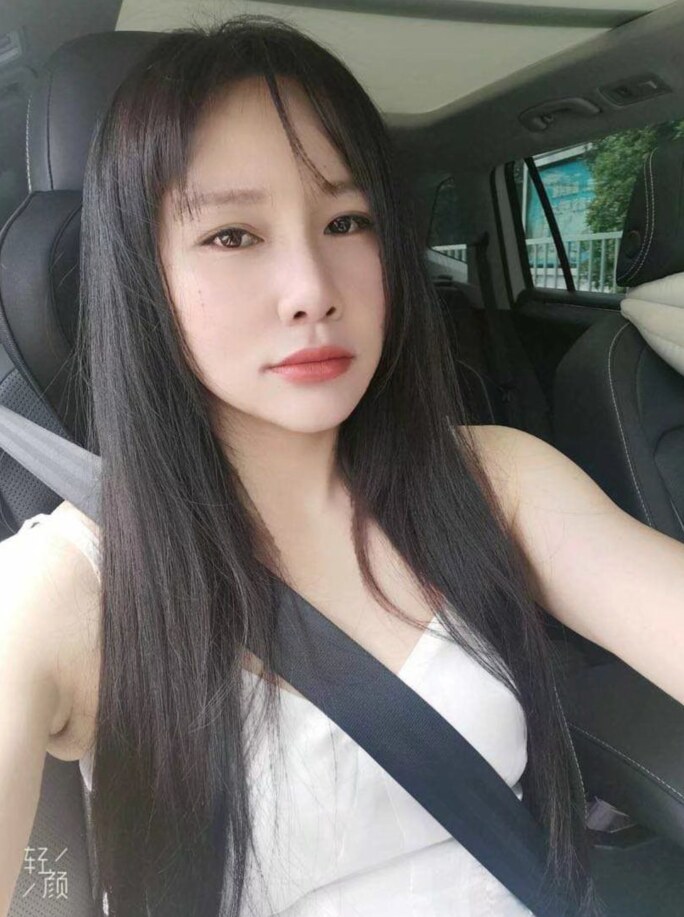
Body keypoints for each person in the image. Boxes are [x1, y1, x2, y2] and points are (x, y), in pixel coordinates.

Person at [2, 13, 683, 917]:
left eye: (346, 220)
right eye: (233, 235)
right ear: (144, 278)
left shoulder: (497, 480)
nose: (313, 291)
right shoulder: (63, 589)